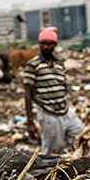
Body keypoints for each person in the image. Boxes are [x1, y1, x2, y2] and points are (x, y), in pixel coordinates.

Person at [23, 26, 83, 154]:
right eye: (43, 43)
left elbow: (62, 85)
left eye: (49, 44)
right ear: (39, 44)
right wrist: (30, 122)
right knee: (52, 152)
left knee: (80, 136)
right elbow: (27, 94)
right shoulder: (33, 65)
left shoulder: (59, 63)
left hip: (65, 111)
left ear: (55, 45)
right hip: (49, 114)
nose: (46, 47)